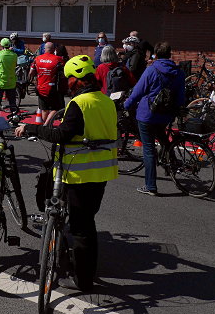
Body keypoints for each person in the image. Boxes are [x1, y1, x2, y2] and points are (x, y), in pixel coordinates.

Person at [16, 54, 118, 291]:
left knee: (81, 228)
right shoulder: (105, 101)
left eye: (69, 79)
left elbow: (63, 135)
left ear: (76, 80)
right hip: (101, 172)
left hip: (78, 172)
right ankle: (84, 271)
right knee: (87, 222)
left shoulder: (79, 104)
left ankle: (83, 280)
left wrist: (33, 128)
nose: (67, 84)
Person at [124, 42, 185, 196]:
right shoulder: (178, 72)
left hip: (148, 114)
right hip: (166, 114)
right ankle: (171, 162)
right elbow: (180, 96)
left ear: (155, 55)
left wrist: (126, 105)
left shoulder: (151, 70)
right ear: (170, 54)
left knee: (149, 150)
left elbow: (138, 92)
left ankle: (150, 185)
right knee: (163, 137)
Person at [32, 42, 65, 122]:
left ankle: (44, 125)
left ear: (44, 49)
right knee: (55, 108)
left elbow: (31, 72)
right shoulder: (58, 59)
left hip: (40, 87)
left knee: (44, 109)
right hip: (52, 88)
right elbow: (64, 73)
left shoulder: (37, 59)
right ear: (54, 50)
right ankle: (47, 124)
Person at [0, 38, 18, 113]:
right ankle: (14, 118)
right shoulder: (14, 55)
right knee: (12, 103)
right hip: (11, 81)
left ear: (1, 45)